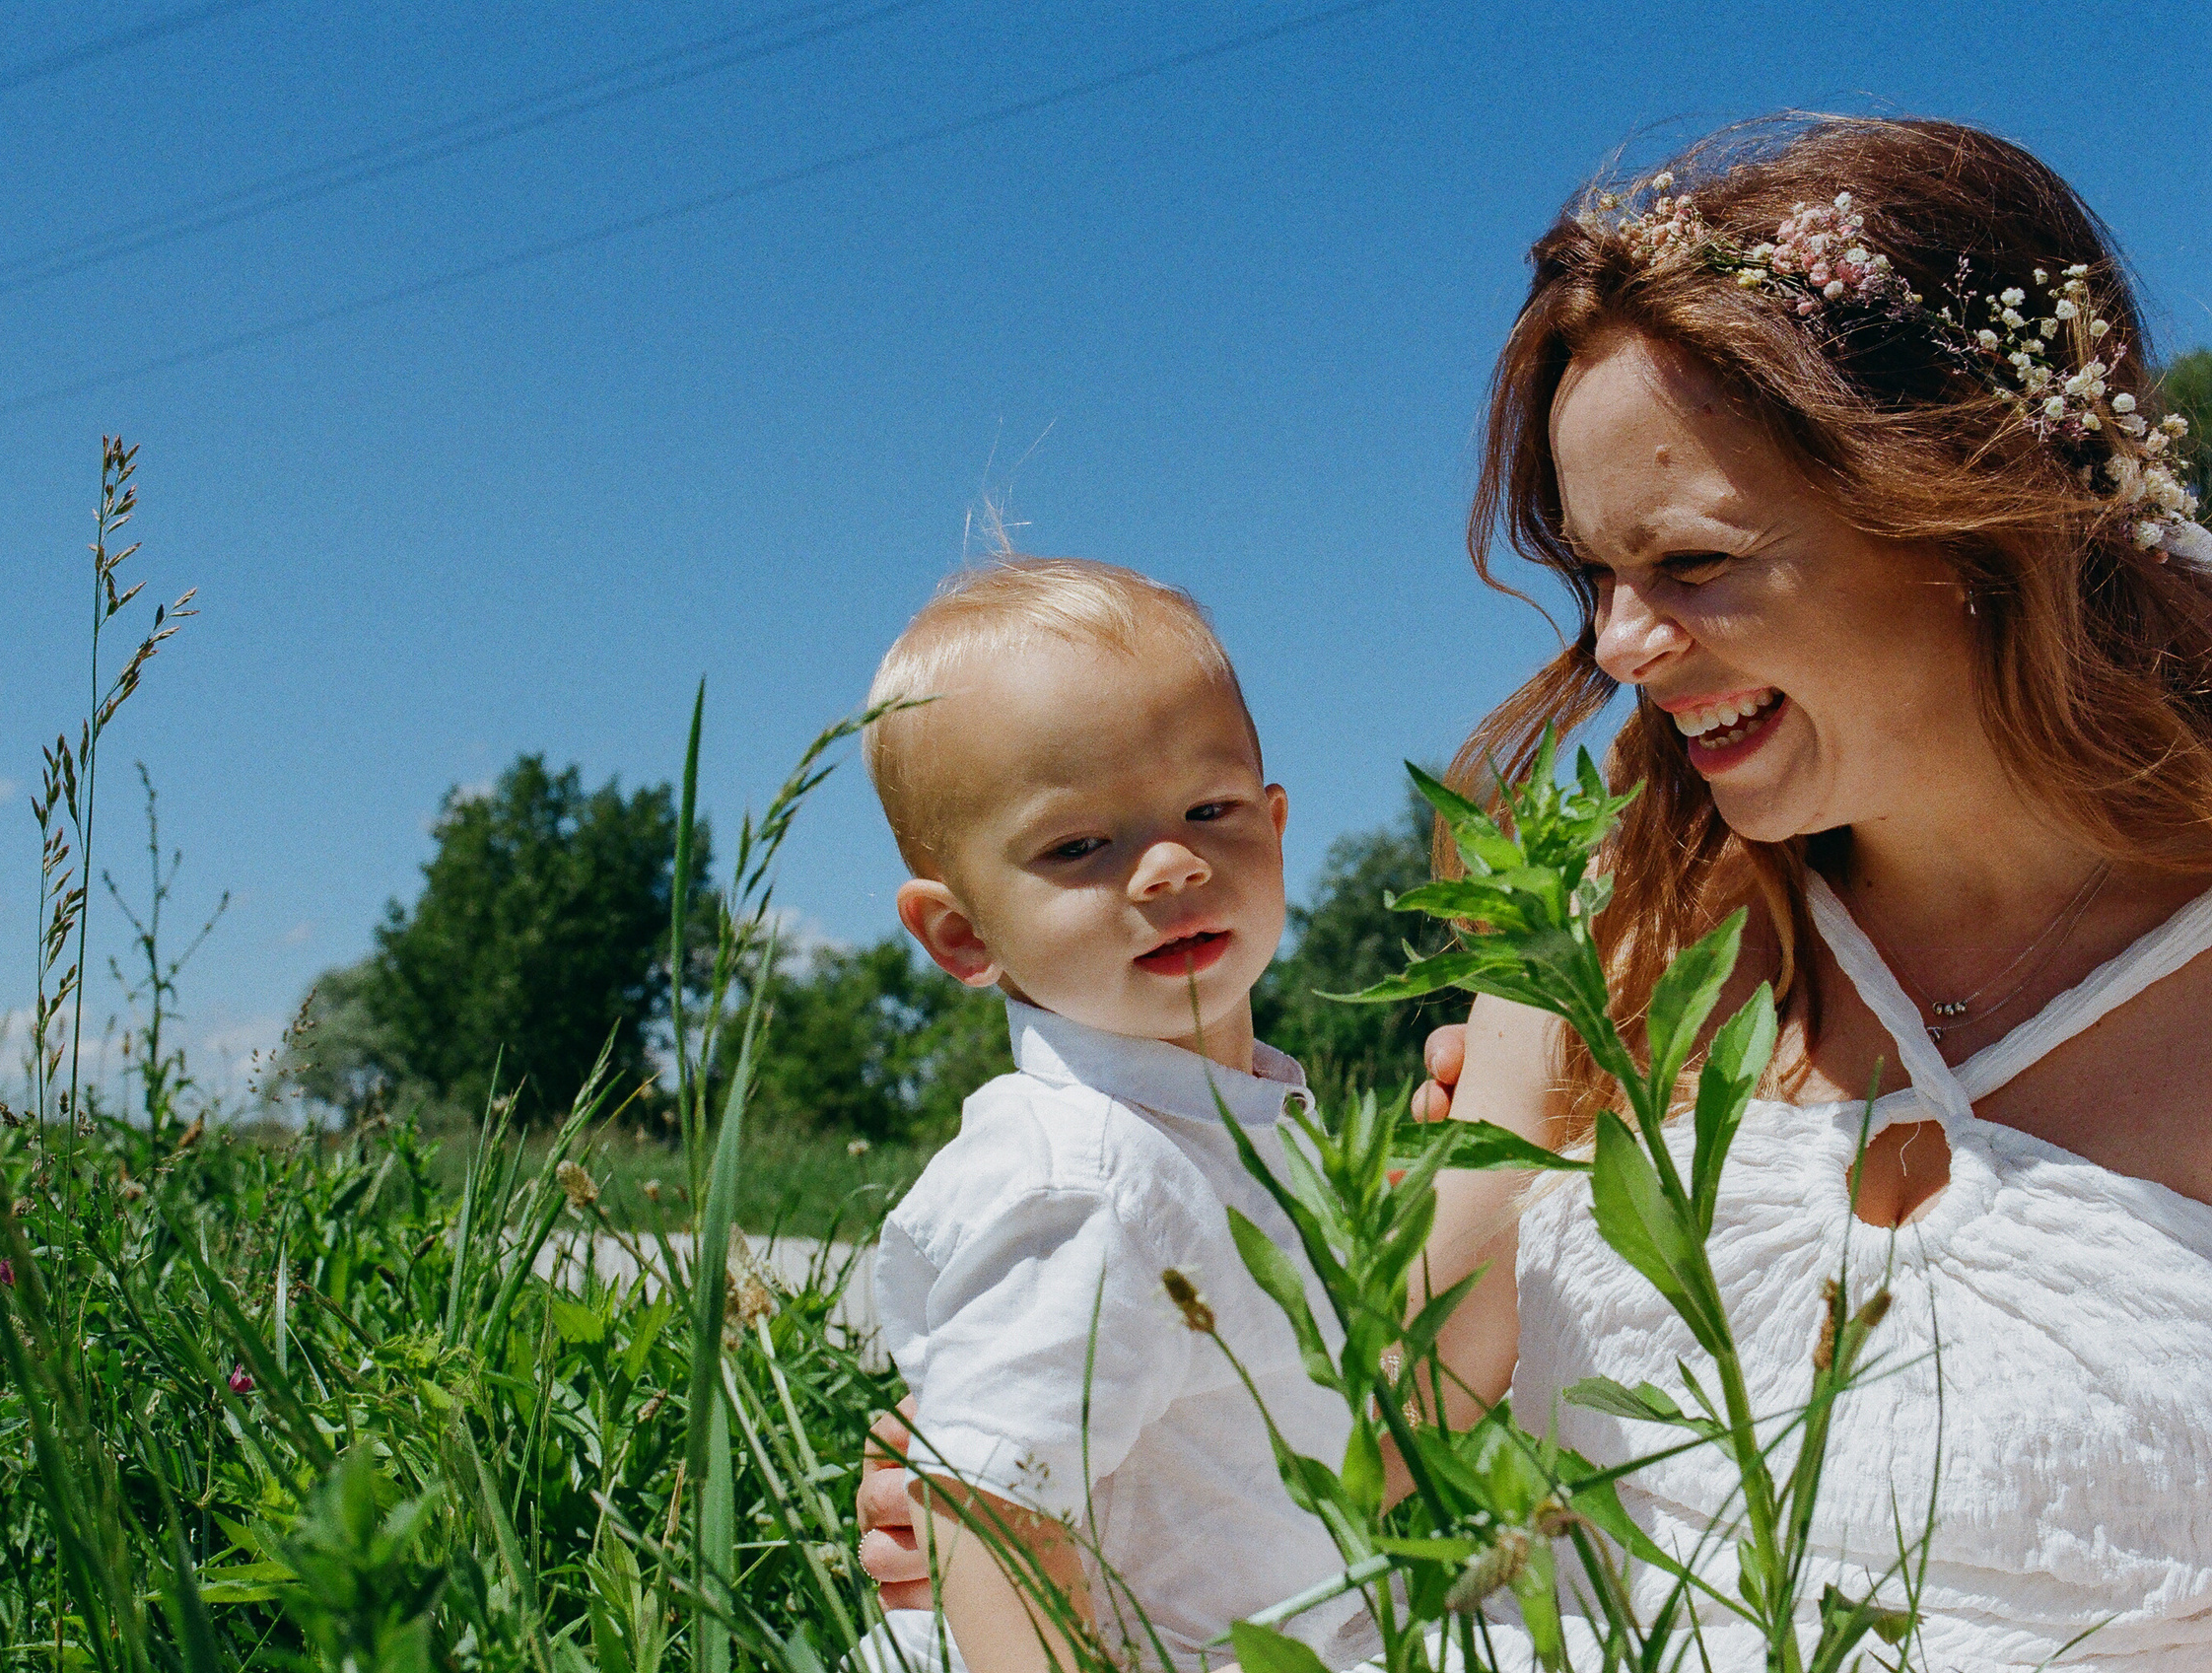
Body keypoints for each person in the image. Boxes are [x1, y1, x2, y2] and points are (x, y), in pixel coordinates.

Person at [864, 114, 2212, 1670]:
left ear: (1974, 502)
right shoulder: (1619, 933)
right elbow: (1365, 1450)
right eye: (1595, 577)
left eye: (1694, 561)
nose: (1625, 646)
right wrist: (1039, 1465)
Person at [854, 557, 1373, 1673]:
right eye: (1079, 845)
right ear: (961, 935)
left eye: (1209, 808)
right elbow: (988, 1503)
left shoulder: (1241, 1128)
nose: (1172, 863)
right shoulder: (1085, 1176)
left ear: (1275, 828)